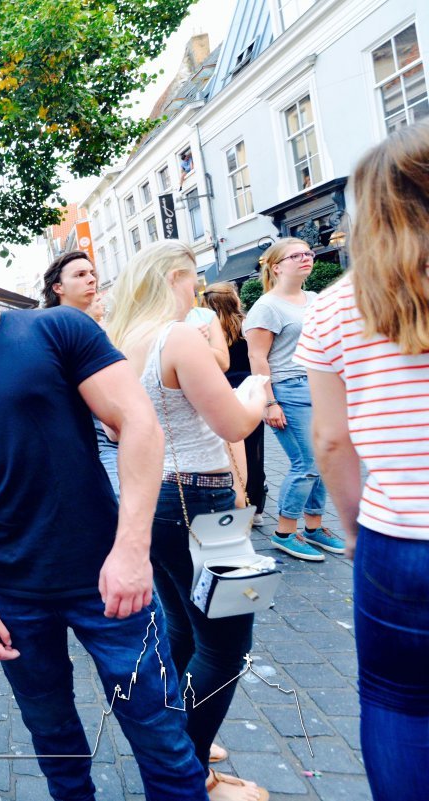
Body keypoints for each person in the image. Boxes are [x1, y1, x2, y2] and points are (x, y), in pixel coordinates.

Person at [0, 227, 209, 800]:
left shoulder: (57, 329)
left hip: (107, 576)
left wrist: (131, 550)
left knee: (160, 735)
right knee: (54, 741)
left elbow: (138, 423)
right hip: (9, 592)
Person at [295, 124, 429, 801]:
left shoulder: (335, 306)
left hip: (397, 538)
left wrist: (353, 529)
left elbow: (330, 439)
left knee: (397, 701)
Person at [106, 242, 268, 801]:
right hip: (204, 501)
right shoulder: (175, 338)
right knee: (227, 644)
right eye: (193, 279)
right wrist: (254, 391)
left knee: (181, 628)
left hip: (151, 501)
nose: (195, 290)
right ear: (174, 276)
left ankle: (176, 739)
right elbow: (233, 424)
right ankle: (190, 768)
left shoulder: (121, 343)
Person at [244, 238, 344, 561]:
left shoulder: (314, 299)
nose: (306, 258)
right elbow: (257, 357)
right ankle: (285, 532)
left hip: (319, 386)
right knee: (307, 462)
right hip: (287, 388)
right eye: (296, 255)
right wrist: (269, 402)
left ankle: (314, 527)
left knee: (325, 459)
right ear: (276, 267)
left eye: (308, 253)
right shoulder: (266, 307)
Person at [42, 251, 122, 499]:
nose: (91, 279)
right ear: (58, 287)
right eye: (79, 275)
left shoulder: (103, 331)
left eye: (91, 273)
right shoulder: (44, 332)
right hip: (72, 447)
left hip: (109, 440)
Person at [205, 282, 266, 520]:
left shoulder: (207, 331)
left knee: (228, 453)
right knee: (254, 451)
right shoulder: (247, 324)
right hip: (249, 390)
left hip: (221, 392)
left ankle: (235, 501)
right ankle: (256, 505)